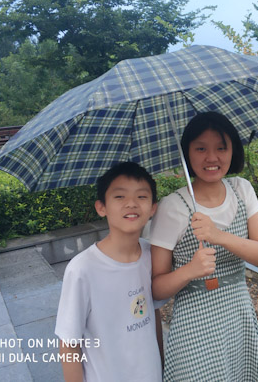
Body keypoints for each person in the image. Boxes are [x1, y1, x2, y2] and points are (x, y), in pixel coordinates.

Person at [150, 111, 258, 381]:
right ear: (187, 153)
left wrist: (219, 236)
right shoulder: (173, 207)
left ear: (233, 150)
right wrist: (189, 271)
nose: (212, 158)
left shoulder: (242, 190)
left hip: (239, 318)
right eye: (200, 148)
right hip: (194, 329)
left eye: (221, 147)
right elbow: (156, 288)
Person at [55, 161, 163, 382]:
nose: (131, 204)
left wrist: (161, 366)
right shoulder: (82, 269)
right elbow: (69, 344)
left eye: (142, 196)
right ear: (101, 207)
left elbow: (156, 315)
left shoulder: (151, 255)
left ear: (153, 208)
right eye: (120, 197)